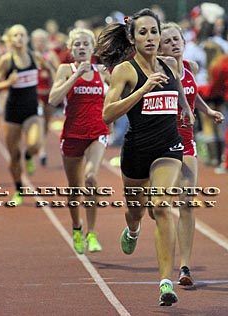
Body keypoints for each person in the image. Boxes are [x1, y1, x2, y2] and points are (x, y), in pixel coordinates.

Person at [95, 9, 195, 306]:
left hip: (168, 148)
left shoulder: (168, 64)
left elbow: (177, 86)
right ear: (133, 37)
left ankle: (165, 282)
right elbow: (107, 114)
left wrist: (187, 110)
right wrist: (142, 90)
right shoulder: (125, 71)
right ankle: (134, 228)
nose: (151, 38)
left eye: (154, 31)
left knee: (163, 207)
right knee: (137, 212)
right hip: (137, 151)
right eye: (144, 33)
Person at [159, 22, 225, 286]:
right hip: (159, 142)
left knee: (186, 202)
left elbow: (191, 93)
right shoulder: (155, 70)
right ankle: (136, 223)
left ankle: (184, 267)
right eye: (168, 40)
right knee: (159, 207)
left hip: (185, 142)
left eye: (177, 39)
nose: (174, 43)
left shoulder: (190, 68)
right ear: (159, 46)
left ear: (184, 42)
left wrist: (207, 111)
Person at [49, 28, 111, 254]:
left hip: (97, 132)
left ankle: (92, 233)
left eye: (86, 44)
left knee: (91, 177)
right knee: (75, 187)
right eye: (77, 45)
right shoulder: (66, 70)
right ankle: (77, 227)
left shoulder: (102, 71)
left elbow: (117, 96)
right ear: (71, 49)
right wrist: (76, 76)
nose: (82, 48)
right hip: (73, 133)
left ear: (93, 48)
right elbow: (53, 99)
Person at [0, 24, 43, 205]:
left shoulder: (34, 57)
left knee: (35, 144)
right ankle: (19, 189)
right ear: (10, 40)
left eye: (22, 34)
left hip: (32, 111)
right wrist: (8, 83)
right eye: (16, 35)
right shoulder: (6, 60)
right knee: (13, 156)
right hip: (12, 114)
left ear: (27, 38)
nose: (20, 38)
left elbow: (54, 70)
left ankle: (29, 155)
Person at [31, 28, 60, 166]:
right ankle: (41, 150)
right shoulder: (30, 55)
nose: (39, 43)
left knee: (46, 123)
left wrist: (48, 68)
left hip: (48, 93)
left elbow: (58, 71)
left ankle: (41, 145)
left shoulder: (51, 55)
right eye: (37, 41)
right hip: (34, 94)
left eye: (42, 40)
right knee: (39, 121)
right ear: (33, 42)